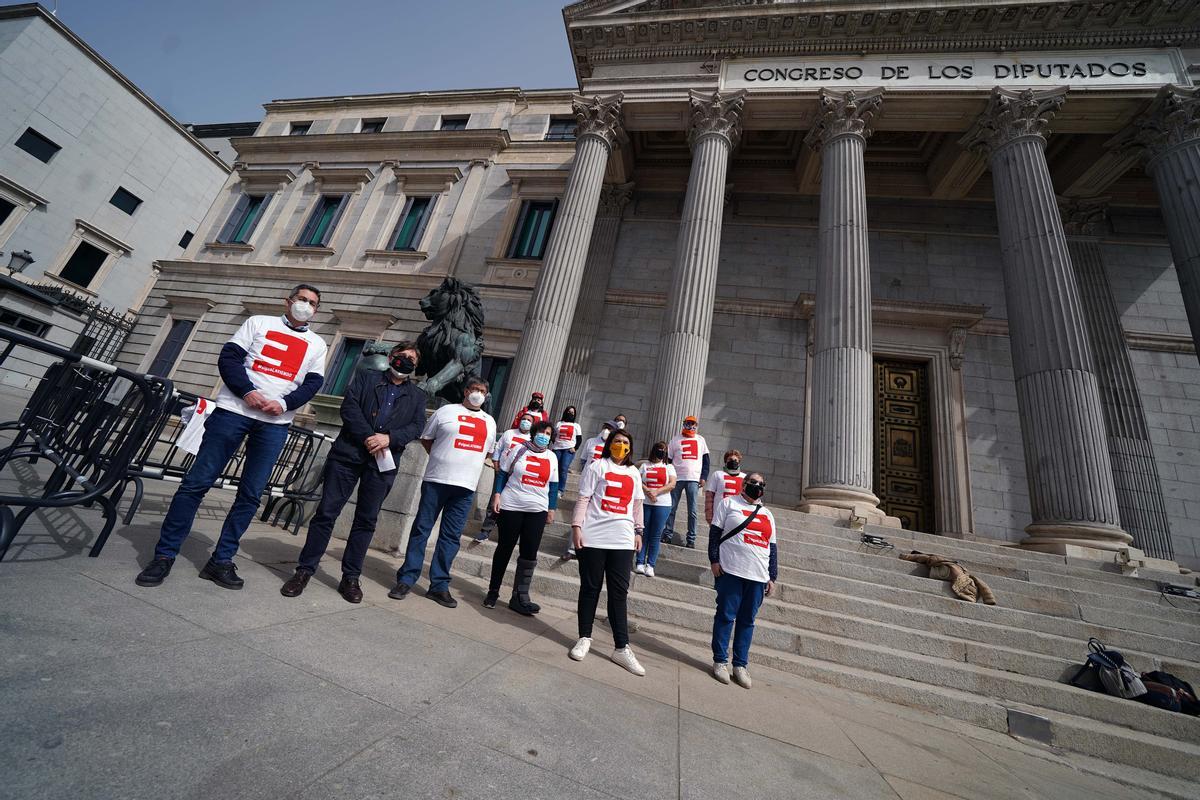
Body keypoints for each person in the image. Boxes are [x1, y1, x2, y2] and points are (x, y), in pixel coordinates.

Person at [135, 285, 328, 589]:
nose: (306, 305)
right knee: (196, 484)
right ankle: (164, 556)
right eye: (302, 299)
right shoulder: (258, 323)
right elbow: (229, 359)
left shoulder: (317, 344)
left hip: (275, 424)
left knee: (251, 494)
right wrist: (247, 391)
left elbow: (313, 383)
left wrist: (285, 404)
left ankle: (221, 560)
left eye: (312, 303)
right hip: (232, 412)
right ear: (288, 301)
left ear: (316, 311)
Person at [280, 342, 426, 603]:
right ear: (392, 357)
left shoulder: (417, 396)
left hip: (382, 462)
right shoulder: (366, 378)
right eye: (402, 356)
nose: (406, 361)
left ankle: (350, 577)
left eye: (412, 359)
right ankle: (304, 571)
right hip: (348, 455)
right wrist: (370, 436)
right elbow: (350, 408)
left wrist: (389, 438)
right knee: (326, 513)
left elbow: (416, 426)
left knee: (366, 520)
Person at [389, 375, 497, 608]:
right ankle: (407, 579)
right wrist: (442, 459)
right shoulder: (445, 412)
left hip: (466, 487)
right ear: (466, 391)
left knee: (450, 537)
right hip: (437, 480)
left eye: (482, 390)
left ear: (486, 395)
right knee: (421, 530)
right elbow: (427, 439)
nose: (478, 393)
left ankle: (438, 585)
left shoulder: (490, 421)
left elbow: (487, 453)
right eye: (474, 388)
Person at [568, 429, 647, 676]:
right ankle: (584, 637)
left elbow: (637, 504)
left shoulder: (634, 472)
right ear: (609, 444)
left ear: (630, 447)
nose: (621, 445)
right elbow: (583, 499)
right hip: (594, 534)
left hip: (622, 538)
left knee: (618, 592)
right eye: (617, 441)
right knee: (590, 588)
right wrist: (576, 527)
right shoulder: (596, 467)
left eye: (625, 442)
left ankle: (621, 647)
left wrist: (639, 531)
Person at [709, 472, 777, 689]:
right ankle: (720, 661)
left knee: (747, 621)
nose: (757, 486)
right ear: (743, 484)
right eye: (753, 483)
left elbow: (772, 546)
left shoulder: (767, 513)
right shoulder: (728, 504)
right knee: (726, 616)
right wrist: (714, 559)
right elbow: (714, 533)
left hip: (757, 575)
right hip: (732, 570)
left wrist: (772, 576)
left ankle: (740, 665)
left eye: (761, 484)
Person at [485, 419, 559, 615]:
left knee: (529, 553)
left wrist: (551, 509)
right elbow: (502, 473)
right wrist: (497, 495)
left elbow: (553, 486)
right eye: (542, 432)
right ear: (534, 433)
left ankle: (520, 596)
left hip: (537, 509)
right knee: (504, 548)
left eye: (549, 434)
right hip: (512, 505)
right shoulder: (519, 450)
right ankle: (493, 591)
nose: (544, 436)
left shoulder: (552, 457)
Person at [474, 412, 535, 542]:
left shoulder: (532, 438)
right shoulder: (509, 433)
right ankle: (486, 530)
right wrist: (496, 464)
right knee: (494, 501)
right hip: (502, 472)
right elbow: (498, 449)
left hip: (518, 477)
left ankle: (508, 532)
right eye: (523, 419)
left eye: (529, 420)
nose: (525, 421)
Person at [662, 415, 710, 549]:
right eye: (688, 423)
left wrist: (704, 476)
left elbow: (706, 461)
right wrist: (668, 476)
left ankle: (691, 539)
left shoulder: (701, 440)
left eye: (693, 423)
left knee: (693, 511)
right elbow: (668, 460)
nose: (690, 426)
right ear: (684, 424)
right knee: (671, 508)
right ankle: (667, 534)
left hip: (693, 479)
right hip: (676, 478)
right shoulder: (675, 440)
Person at [636, 441, 676, 577]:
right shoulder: (645, 465)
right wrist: (648, 491)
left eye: (664, 450)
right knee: (643, 533)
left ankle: (651, 565)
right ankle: (639, 562)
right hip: (646, 503)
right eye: (659, 449)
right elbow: (637, 480)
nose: (661, 451)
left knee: (656, 535)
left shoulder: (669, 467)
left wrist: (656, 492)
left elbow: (672, 484)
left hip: (663, 504)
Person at [705, 449, 745, 525]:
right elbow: (709, 496)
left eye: (736, 460)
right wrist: (709, 515)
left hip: (737, 516)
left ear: (739, 462)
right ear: (726, 461)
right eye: (730, 459)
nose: (733, 461)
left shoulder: (744, 477)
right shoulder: (717, 474)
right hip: (719, 515)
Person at [550, 405, 582, 501]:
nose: (570, 414)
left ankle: (560, 490)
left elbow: (579, 439)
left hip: (568, 450)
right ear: (565, 412)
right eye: (569, 411)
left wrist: (575, 448)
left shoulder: (576, 426)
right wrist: (554, 443)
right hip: (557, 449)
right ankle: (552, 487)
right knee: (555, 469)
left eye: (572, 412)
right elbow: (553, 435)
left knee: (563, 468)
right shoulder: (559, 423)